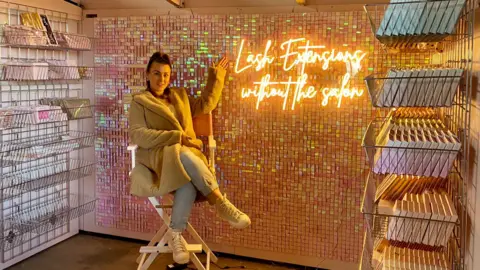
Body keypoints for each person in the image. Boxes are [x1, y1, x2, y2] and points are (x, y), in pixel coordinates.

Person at [128, 52, 251, 264]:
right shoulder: (140, 102)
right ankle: (219, 202)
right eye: (156, 73)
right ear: (147, 74)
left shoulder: (180, 96)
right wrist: (178, 138)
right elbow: (138, 135)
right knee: (182, 153)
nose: (161, 79)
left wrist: (216, 75)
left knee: (186, 181)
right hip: (158, 160)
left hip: (184, 162)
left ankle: (176, 235)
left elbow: (206, 104)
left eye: (166, 75)